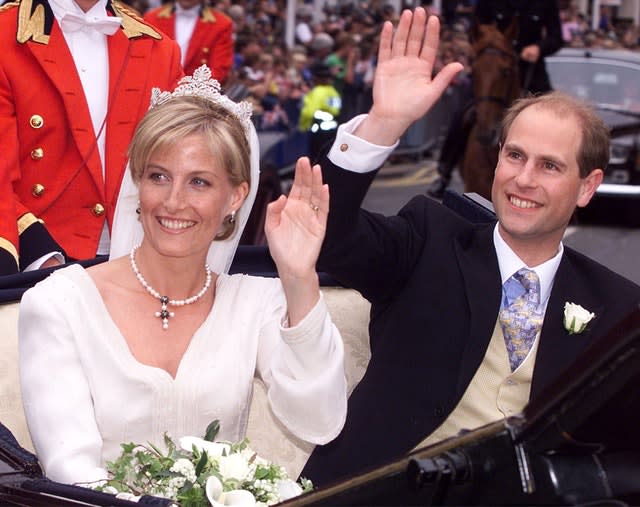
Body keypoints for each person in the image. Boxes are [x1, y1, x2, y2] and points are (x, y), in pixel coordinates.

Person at [299, 8, 640, 486]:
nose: (523, 179)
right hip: (376, 491)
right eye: (515, 156)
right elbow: (326, 235)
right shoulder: (428, 238)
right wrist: (383, 123)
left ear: (587, 186)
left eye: (549, 166)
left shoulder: (622, 308)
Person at [18, 66, 347, 485]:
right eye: (159, 176)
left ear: (235, 196)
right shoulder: (58, 304)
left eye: (199, 182)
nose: (174, 202)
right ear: (138, 181)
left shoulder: (257, 302)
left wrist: (299, 275)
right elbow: (72, 474)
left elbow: (318, 421)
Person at [0, 0, 183, 276]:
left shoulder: (159, 48)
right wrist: (40, 257)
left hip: (136, 263)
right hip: (36, 263)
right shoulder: (5, 35)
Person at [427, 0, 563, 198]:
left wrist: (538, 48)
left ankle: (559, 174)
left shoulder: (545, 3)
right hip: (492, 66)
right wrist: (488, 41)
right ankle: (444, 171)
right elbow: (476, 28)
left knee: (555, 119)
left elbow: (556, 38)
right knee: (463, 112)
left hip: (528, 69)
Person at [143, 0, 234, 84]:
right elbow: (144, 61)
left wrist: (187, 90)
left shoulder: (221, 24)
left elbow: (219, 70)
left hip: (196, 96)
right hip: (155, 90)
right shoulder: (152, 18)